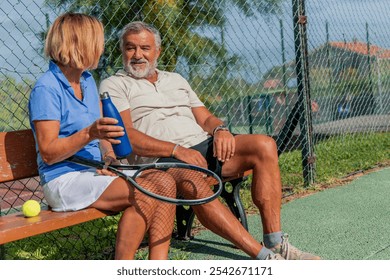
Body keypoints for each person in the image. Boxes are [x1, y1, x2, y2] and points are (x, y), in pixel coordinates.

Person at [99, 21, 321, 260]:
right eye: (130, 48)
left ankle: (275, 242)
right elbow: (127, 134)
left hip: (202, 146)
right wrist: (176, 150)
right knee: (192, 180)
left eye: (144, 48)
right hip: (162, 160)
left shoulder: (176, 79)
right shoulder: (114, 84)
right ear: (122, 51)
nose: (138, 55)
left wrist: (220, 130)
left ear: (157, 51)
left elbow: (204, 118)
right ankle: (264, 257)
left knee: (265, 144)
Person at [28, 13, 176, 260]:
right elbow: (49, 152)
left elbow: (103, 131)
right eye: (97, 40)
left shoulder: (86, 80)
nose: (102, 46)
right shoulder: (47, 88)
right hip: (63, 179)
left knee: (164, 183)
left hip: (93, 172)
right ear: (79, 43)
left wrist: (108, 157)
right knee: (145, 190)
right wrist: (89, 133)